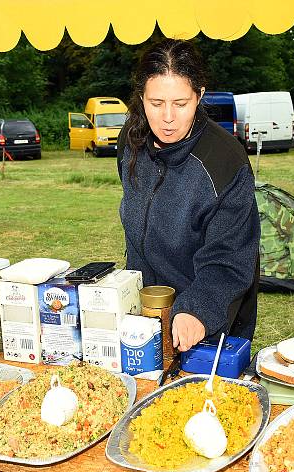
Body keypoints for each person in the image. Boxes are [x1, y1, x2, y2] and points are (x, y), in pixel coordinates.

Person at [117, 39, 260, 352]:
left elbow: (231, 259)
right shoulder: (131, 139)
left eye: (180, 104)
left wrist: (197, 309)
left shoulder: (225, 161)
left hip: (207, 320)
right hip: (145, 313)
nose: (168, 117)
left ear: (200, 96)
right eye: (156, 103)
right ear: (141, 97)